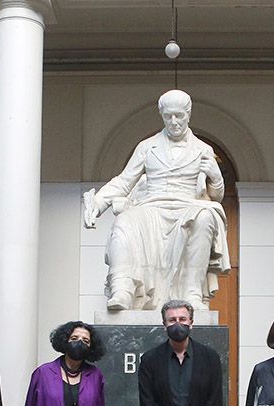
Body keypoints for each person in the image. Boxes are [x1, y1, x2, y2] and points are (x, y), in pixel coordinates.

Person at [82, 89, 230, 311]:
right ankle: (123, 288)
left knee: (207, 216)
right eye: (168, 116)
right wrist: (99, 203)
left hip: (188, 205)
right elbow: (125, 181)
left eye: (179, 116)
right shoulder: (146, 147)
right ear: (161, 114)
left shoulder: (203, 149)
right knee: (124, 222)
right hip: (152, 205)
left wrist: (216, 177)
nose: (173, 122)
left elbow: (215, 196)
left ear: (188, 114)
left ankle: (192, 294)